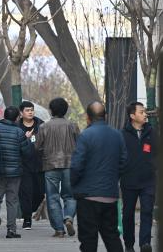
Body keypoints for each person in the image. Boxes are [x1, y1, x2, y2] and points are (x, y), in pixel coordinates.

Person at [71, 101, 127, 252]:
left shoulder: (85, 136)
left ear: (88, 117)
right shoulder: (117, 135)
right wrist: (113, 178)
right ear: (105, 116)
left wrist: (74, 185)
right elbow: (123, 161)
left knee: (88, 238)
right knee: (111, 235)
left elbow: (76, 165)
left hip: (88, 196)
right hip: (110, 194)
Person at [0, 106, 31, 239]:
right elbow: (27, 152)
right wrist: (27, 139)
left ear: (4, 116)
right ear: (16, 118)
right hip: (14, 172)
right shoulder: (19, 132)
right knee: (12, 200)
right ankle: (11, 230)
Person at [37, 97, 80, 238]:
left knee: (52, 197)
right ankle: (68, 217)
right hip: (70, 165)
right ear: (65, 110)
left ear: (51, 110)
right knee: (70, 196)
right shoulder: (73, 126)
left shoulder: (44, 127)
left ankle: (59, 229)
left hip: (50, 165)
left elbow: (37, 147)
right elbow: (80, 145)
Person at [120, 102, 156, 252]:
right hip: (129, 180)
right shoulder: (122, 135)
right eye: (141, 112)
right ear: (132, 116)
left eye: (145, 111)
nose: (145, 114)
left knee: (147, 211)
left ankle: (145, 243)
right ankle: (129, 244)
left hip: (148, 181)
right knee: (128, 214)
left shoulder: (152, 132)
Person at [17, 101, 44, 230]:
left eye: (32, 110)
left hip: (39, 164)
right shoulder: (17, 127)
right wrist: (25, 139)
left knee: (40, 193)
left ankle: (30, 209)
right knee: (25, 193)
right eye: (27, 110)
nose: (30, 112)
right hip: (23, 165)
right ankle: (27, 219)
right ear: (21, 113)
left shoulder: (41, 125)